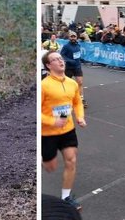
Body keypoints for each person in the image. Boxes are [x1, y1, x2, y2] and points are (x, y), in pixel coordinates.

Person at [41, 51, 86, 211]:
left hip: (68, 130)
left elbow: (77, 102)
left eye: (61, 58)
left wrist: (80, 117)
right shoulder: (43, 85)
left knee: (71, 160)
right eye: (55, 59)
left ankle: (66, 197)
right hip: (48, 133)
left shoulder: (72, 83)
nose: (60, 61)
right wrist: (52, 121)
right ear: (48, 65)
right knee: (50, 166)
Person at [60, 32, 86, 107]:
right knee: (67, 84)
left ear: (76, 37)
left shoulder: (78, 44)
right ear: (69, 37)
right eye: (71, 37)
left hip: (77, 67)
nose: (73, 38)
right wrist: (69, 60)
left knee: (80, 82)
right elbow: (62, 55)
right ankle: (66, 99)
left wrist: (80, 59)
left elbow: (77, 54)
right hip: (69, 67)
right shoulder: (66, 46)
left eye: (74, 37)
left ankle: (81, 99)